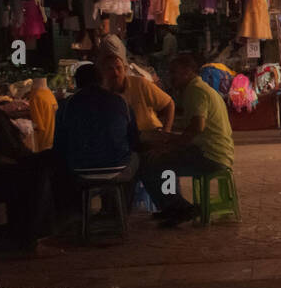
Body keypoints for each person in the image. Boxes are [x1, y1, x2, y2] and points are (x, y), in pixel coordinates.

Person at [140, 54, 236, 228]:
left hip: (210, 155)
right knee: (162, 162)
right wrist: (169, 140)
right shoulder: (198, 89)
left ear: (187, 72)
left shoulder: (196, 90)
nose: (171, 77)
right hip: (215, 152)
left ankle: (178, 208)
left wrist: (172, 144)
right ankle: (173, 206)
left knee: (155, 164)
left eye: (174, 72)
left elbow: (197, 126)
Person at [0, 66, 54, 250]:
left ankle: (47, 228)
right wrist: (17, 163)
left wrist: (29, 159)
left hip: (14, 164)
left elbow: (16, 145)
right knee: (34, 176)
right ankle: (27, 236)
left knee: (54, 159)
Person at [55, 60, 140, 179]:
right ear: (102, 80)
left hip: (79, 170)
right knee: (138, 158)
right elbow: (134, 139)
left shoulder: (67, 104)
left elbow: (59, 144)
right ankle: (128, 196)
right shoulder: (120, 101)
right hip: (118, 167)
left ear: (77, 83)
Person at [100, 52, 175, 139]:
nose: (115, 73)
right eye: (110, 69)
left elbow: (169, 103)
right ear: (103, 72)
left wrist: (166, 132)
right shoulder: (102, 94)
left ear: (125, 69)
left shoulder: (140, 84)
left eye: (119, 68)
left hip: (149, 133)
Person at [29, 77, 58, 151]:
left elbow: (37, 123)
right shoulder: (50, 93)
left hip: (43, 141)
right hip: (52, 138)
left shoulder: (35, 96)